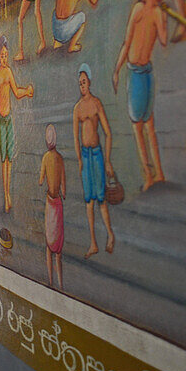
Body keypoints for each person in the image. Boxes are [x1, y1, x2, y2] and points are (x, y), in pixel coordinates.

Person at [113, 0, 170, 191]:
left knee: (146, 125)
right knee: (142, 126)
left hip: (144, 73)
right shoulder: (138, 9)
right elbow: (127, 43)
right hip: (136, 72)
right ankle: (150, 174)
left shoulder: (156, 13)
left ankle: (156, 173)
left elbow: (164, 41)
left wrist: (163, 18)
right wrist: (117, 69)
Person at [72, 64, 115, 257]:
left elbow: (107, 132)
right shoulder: (77, 109)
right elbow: (75, 136)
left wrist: (107, 161)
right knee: (88, 201)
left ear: (89, 82)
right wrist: (80, 159)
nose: (82, 86)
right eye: (79, 83)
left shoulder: (96, 104)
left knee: (101, 199)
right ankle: (93, 243)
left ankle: (110, 235)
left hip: (97, 155)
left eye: (84, 82)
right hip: (86, 156)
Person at [0, 36, 34, 213]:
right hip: (0, 121)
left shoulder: (8, 72)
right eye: (2, 55)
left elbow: (16, 92)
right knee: (3, 161)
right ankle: (6, 195)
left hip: (9, 120)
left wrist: (27, 91)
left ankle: (8, 196)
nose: (4, 58)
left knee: (10, 159)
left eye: (6, 55)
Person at [38, 123, 66, 289]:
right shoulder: (60, 159)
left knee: (49, 245)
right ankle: (61, 284)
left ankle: (50, 281)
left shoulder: (46, 158)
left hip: (49, 202)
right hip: (58, 204)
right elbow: (64, 187)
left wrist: (42, 178)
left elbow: (41, 180)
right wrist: (63, 192)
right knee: (59, 248)